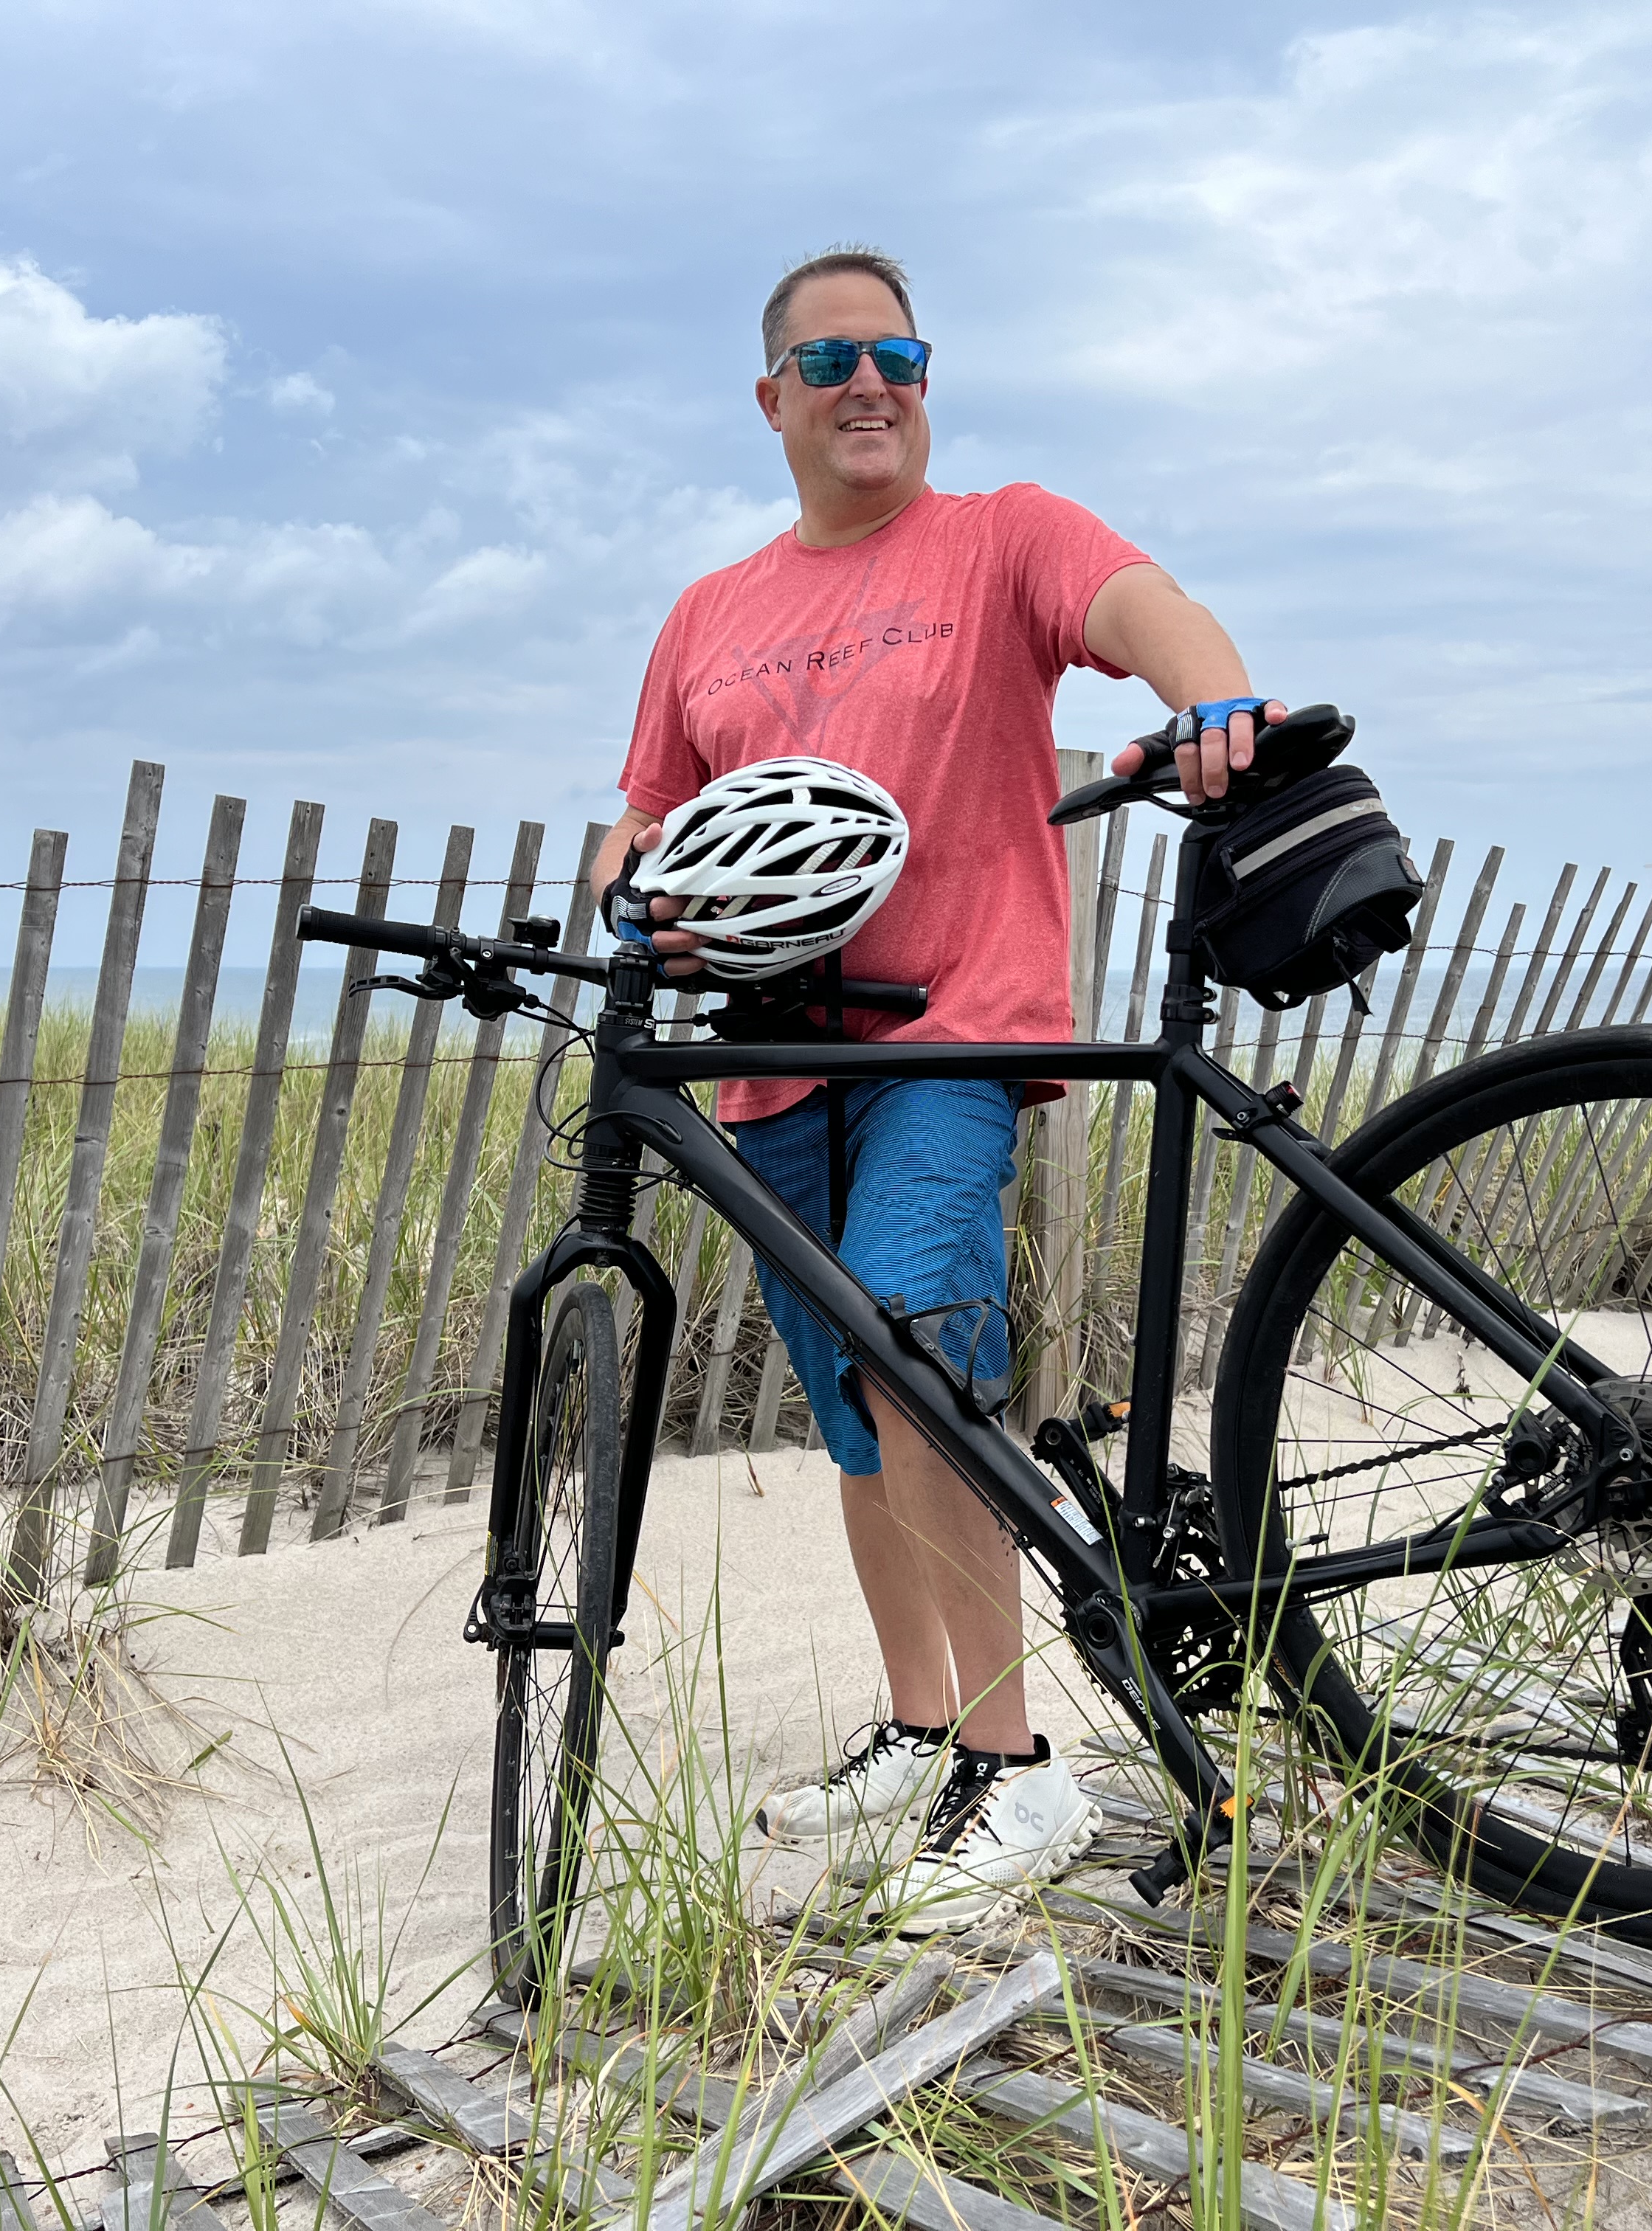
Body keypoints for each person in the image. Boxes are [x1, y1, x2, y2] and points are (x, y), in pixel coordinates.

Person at [595, 244, 1285, 1934]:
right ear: (772, 397)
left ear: (925, 382)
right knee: (859, 1410)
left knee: (914, 1353)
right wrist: (631, 899)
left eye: (897, 358)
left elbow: (1141, 606)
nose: (870, 386)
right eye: (832, 362)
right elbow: (644, 816)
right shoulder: (709, 612)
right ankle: (924, 1730)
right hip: (771, 1062)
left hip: (950, 1035)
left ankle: (1018, 1766)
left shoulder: (998, 538)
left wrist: (1215, 695)